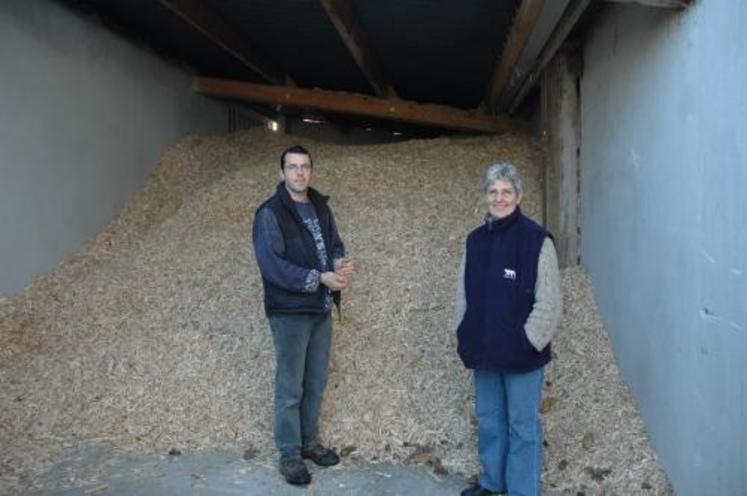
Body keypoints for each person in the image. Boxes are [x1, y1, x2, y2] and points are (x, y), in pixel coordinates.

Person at [455, 163, 562, 496]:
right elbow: (463, 293)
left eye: (506, 191)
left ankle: (521, 490)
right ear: (485, 196)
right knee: (489, 422)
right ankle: (492, 483)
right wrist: (463, 332)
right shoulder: (474, 241)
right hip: (484, 352)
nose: (499, 198)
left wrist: (527, 342)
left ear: (519, 196)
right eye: (493, 191)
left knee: (522, 427)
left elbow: (550, 303)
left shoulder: (536, 240)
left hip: (521, 357)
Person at [252, 144, 354, 486]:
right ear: (281, 173)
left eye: (305, 166)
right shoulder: (270, 213)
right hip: (290, 312)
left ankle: (310, 443)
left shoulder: (321, 207)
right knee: (290, 386)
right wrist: (318, 278)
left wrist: (339, 262)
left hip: (320, 308)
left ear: (311, 170)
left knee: (315, 381)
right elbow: (272, 266)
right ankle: (290, 454)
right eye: (292, 167)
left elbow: (335, 244)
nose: (299, 173)